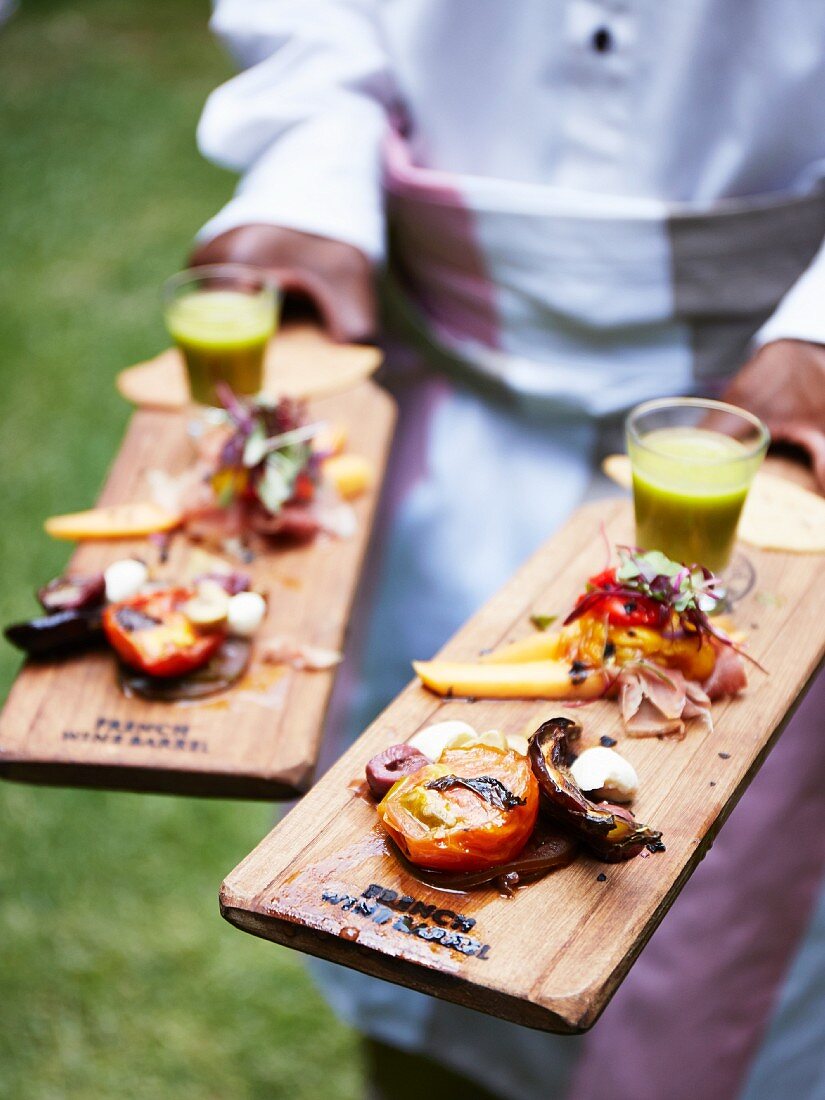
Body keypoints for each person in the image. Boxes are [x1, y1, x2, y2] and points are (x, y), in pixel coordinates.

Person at [191, 4, 825, 1098]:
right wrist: (307, 189)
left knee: (720, 941)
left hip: (785, 469)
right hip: (454, 421)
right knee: (417, 965)